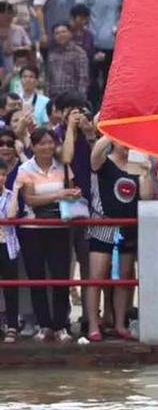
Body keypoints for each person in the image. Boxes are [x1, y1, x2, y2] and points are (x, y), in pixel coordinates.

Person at [85, 135, 154, 342]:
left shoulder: (137, 165)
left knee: (124, 277)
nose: (126, 144)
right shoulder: (104, 162)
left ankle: (120, 323)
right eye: (122, 140)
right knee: (97, 276)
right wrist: (110, 130)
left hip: (129, 227)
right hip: (103, 225)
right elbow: (95, 155)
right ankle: (93, 324)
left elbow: (148, 196)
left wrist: (146, 173)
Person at [16, 127, 79, 342]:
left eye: (50, 142)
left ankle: (61, 325)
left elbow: (71, 190)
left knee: (61, 277)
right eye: (41, 143)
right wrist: (58, 195)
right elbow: (30, 199)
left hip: (59, 228)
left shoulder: (63, 166)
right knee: (37, 278)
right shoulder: (25, 168)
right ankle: (44, 325)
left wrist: (72, 194)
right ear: (33, 146)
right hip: (32, 230)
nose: (47, 147)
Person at [81, 0, 120, 103]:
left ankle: (93, 102)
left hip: (93, 40)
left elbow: (81, 13)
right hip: (111, 40)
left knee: (91, 75)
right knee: (108, 76)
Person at [0, 128, 22, 343]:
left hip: (7, 245)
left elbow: (12, 215)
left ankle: (12, 326)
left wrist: (14, 190)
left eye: (2, 174)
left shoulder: (9, 195)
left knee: (11, 286)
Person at [45, 23, 89, 99]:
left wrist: (80, 98)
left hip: (72, 97)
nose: (61, 35)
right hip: (54, 96)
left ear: (70, 34)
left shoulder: (79, 53)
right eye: (57, 33)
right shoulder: (52, 54)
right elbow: (48, 77)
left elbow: (83, 78)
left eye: (63, 32)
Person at [17, 66, 49, 130]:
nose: (27, 80)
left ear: (36, 81)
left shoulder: (45, 101)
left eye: (31, 77)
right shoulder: (14, 99)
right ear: (20, 80)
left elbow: (46, 124)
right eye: (24, 77)